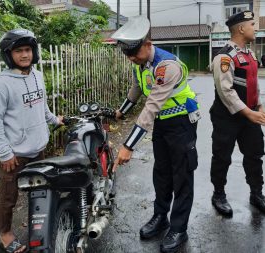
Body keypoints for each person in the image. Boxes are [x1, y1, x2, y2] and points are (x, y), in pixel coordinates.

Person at [111, 16, 200, 253]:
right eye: (127, 54)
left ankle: (179, 228)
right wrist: (120, 112)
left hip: (182, 123)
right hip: (163, 125)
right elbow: (137, 90)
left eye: (134, 53)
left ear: (148, 44)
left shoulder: (167, 67)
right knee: (161, 173)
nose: (131, 58)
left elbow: (151, 107)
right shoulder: (140, 63)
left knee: (182, 176)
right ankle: (161, 216)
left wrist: (128, 145)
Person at [0, 29, 63, 253]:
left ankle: (39, 226)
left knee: (39, 190)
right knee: (8, 197)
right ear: (9, 55)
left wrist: (53, 120)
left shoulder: (37, 75)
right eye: (18, 51)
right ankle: (5, 234)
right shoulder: (3, 84)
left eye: (28, 50)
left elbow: (42, 105)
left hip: (38, 148)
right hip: (15, 153)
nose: (24, 55)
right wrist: (4, 152)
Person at [210, 11, 265, 217]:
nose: (256, 27)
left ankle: (257, 193)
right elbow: (226, 91)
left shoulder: (249, 54)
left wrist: (258, 106)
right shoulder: (224, 56)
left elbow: (253, 84)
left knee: (254, 155)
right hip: (227, 118)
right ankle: (218, 195)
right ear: (241, 29)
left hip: (250, 114)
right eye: (252, 24)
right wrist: (249, 113)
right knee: (222, 156)